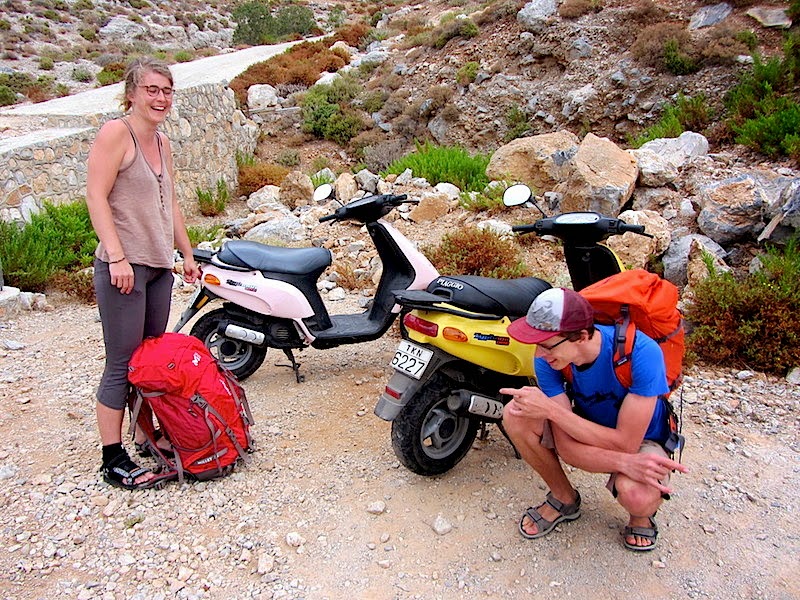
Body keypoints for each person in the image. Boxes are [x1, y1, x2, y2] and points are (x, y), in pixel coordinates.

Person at [500, 287, 688, 551]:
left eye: (546, 344)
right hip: (592, 428)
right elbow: (568, 449)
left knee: (637, 496)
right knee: (515, 414)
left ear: (582, 336)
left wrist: (553, 412)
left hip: (641, 438)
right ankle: (564, 498)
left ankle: (640, 516)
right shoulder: (550, 358)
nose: (539, 354)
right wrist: (625, 463)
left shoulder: (641, 352)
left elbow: (625, 442)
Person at [86, 57, 200, 490]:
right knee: (121, 361)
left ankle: (143, 433)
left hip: (157, 266)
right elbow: (96, 196)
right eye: (152, 90)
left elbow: (169, 204)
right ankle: (111, 456)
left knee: (149, 360)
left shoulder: (163, 143)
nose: (160, 98)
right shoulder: (117, 133)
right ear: (132, 93)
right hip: (124, 267)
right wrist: (116, 257)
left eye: (167, 90)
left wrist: (186, 253)